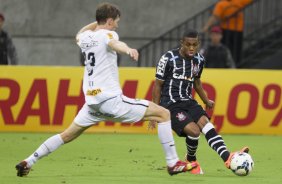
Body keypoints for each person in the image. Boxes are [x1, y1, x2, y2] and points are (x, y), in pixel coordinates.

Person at [15, 3, 196, 177]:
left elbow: (79, 32)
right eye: (116, 21)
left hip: (92, 103)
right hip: (110, 100)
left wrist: (98, 21)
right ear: (109, 21)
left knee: (66, 135)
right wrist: (128, 49)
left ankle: (29, 161)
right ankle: (173, 163)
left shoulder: (85, 38)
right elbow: (114, 44)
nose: (117, 26)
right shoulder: (108, 35)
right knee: (163, 114)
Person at [151, 29, 249, 174]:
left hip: (189, 102)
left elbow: (197, 83)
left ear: (198, 44)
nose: (191, 48)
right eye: (188, 44)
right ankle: (191, 159)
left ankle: (228, 158)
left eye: (194, 44)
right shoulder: (168, 58)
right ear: (181, 43)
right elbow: (158, 85)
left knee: (206, 124)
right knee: (194, 131)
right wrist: (155, 112)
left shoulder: (199, 60)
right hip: (171, 105)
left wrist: (206, 100)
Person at [202, 0, 253, 66]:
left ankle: (236, 67)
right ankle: (227, 67)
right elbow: (215, 16)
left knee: (237, 52)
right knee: (226, 50)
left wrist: (206, 27)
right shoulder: (221, 4)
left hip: (238, 31)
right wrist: (206, 26)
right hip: (226, 30)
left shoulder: (239, 1)